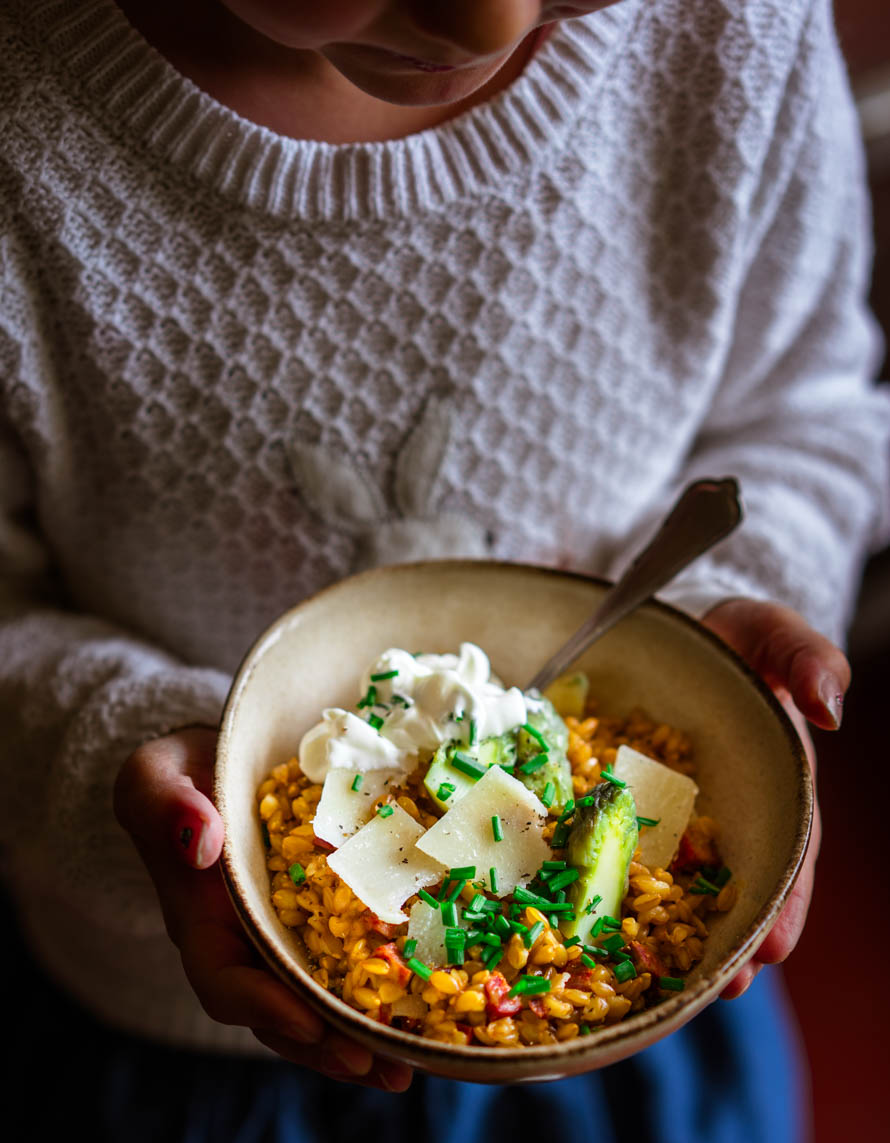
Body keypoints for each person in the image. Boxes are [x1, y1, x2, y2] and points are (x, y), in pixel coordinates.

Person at [2, 0, 888, 1138]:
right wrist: (128, 755)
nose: (481, 17)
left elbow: (806, 416)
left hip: (630, 1029)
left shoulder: (735, 31)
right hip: (166, 1038)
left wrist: (738, 608)